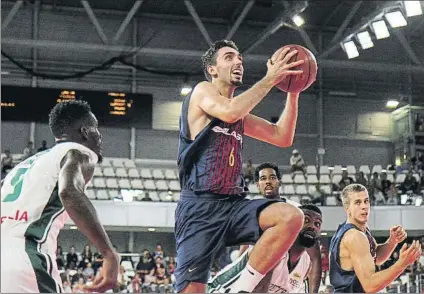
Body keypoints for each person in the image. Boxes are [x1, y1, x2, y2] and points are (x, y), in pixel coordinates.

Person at [176, 39, 307, 293]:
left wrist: (293, 91)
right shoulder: (202, 91)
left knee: (291, 217)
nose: (238, 62)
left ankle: (241, 289)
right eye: (229, 57)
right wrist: (271, 78)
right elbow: (229, 112)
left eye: (240, 59)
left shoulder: (238, 114)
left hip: (233, 206)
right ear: (212, 69)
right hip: (199, 209)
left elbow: (282, 136)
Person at [1, 100, 119, 293]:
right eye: (96, 129)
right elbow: (69, 192)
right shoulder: (78, 152)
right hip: (25, 257)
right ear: (85, 131)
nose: (100, 136)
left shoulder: (23, 166)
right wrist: (109, 253)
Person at [238, 162, 322, 292]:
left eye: (272, 177)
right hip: (257, 275)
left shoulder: (295, 210)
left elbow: (314, 257)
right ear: (257, 185)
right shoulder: (252, 214)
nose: (268, 182)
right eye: (263, 178)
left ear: (279, 181)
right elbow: (244, 248)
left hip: (286, 277)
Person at [207, 203, 323, 293]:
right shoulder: (274, 248)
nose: (312, 227)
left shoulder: (306, 263)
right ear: (296, 224)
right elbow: (257, 291)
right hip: (220, 290)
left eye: (317, 224)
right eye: (306, 220)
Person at [329, 183, 422, 292]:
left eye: (366, 201)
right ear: (347, 208)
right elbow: (370, 286)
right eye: (358, 202)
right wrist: (402, 264)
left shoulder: (359, 230)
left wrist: (392, 242)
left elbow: (376, 257)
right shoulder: (354, 236)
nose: (364, 206)